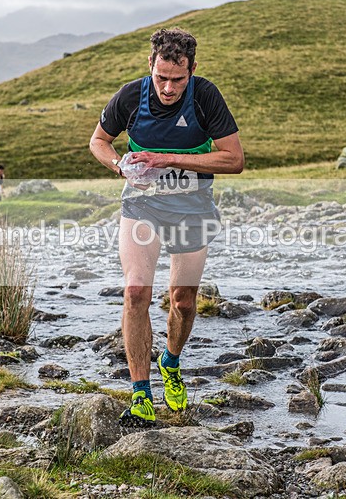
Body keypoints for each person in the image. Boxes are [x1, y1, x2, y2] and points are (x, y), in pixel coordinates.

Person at [89, 28, 244, 427]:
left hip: (193, 208)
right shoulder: (130, 96)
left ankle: (170, 362)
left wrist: (167, 159)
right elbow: (99, 141)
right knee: (137, 290)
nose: (169, 88)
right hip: (143, 206)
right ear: (150, 67)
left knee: (183, 302)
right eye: (161, 78)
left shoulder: (205, 96)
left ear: (192, 70)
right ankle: (141, 394)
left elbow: (233, 159)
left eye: (178, 79)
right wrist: (119, 165)